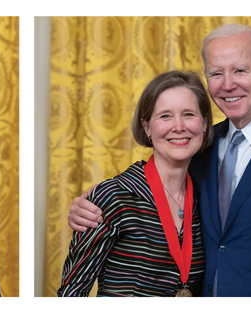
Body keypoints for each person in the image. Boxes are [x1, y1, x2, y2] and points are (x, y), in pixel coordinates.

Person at [67, 24, 251, 296]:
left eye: (240, 70)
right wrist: (89, 206)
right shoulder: (199, 145)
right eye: (216, 73)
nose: (228, 84)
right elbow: (155, 191)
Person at [59, 71, 211, 297]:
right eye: (165, 116)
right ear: (147, 127)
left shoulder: (205, 198)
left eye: (188, 114)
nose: (178, 126)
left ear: (205, 123)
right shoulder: (112, 197)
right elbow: (71, 293)